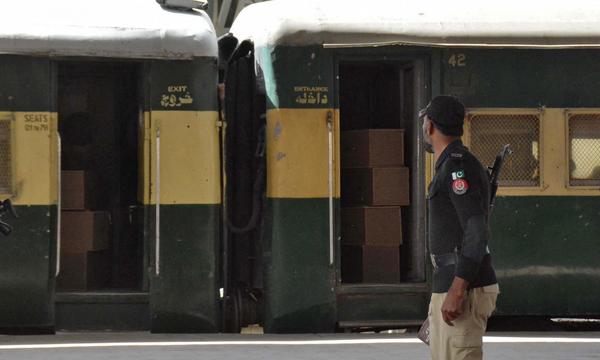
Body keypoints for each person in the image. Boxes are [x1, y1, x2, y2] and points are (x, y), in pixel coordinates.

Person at [421, 95, 500, 360]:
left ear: (430, 126)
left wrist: (457, 289)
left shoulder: (457, 167)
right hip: (451, 280)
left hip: (461, 285)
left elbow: (476, 231)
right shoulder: (452, 164)